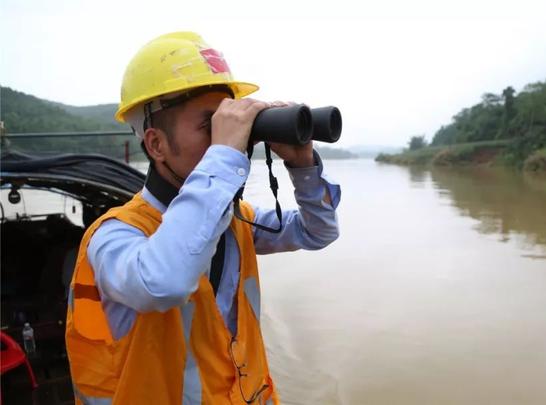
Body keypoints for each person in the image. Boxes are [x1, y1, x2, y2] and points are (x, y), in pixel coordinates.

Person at [65, 32, 340, 404]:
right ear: (156, 144)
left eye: (231, 124)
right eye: (210, 125)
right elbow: (161, 282)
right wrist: (224, 154)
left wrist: (302, 163)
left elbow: (318, 231)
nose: (232, 139)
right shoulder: (113, 236)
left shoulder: (235, 219)